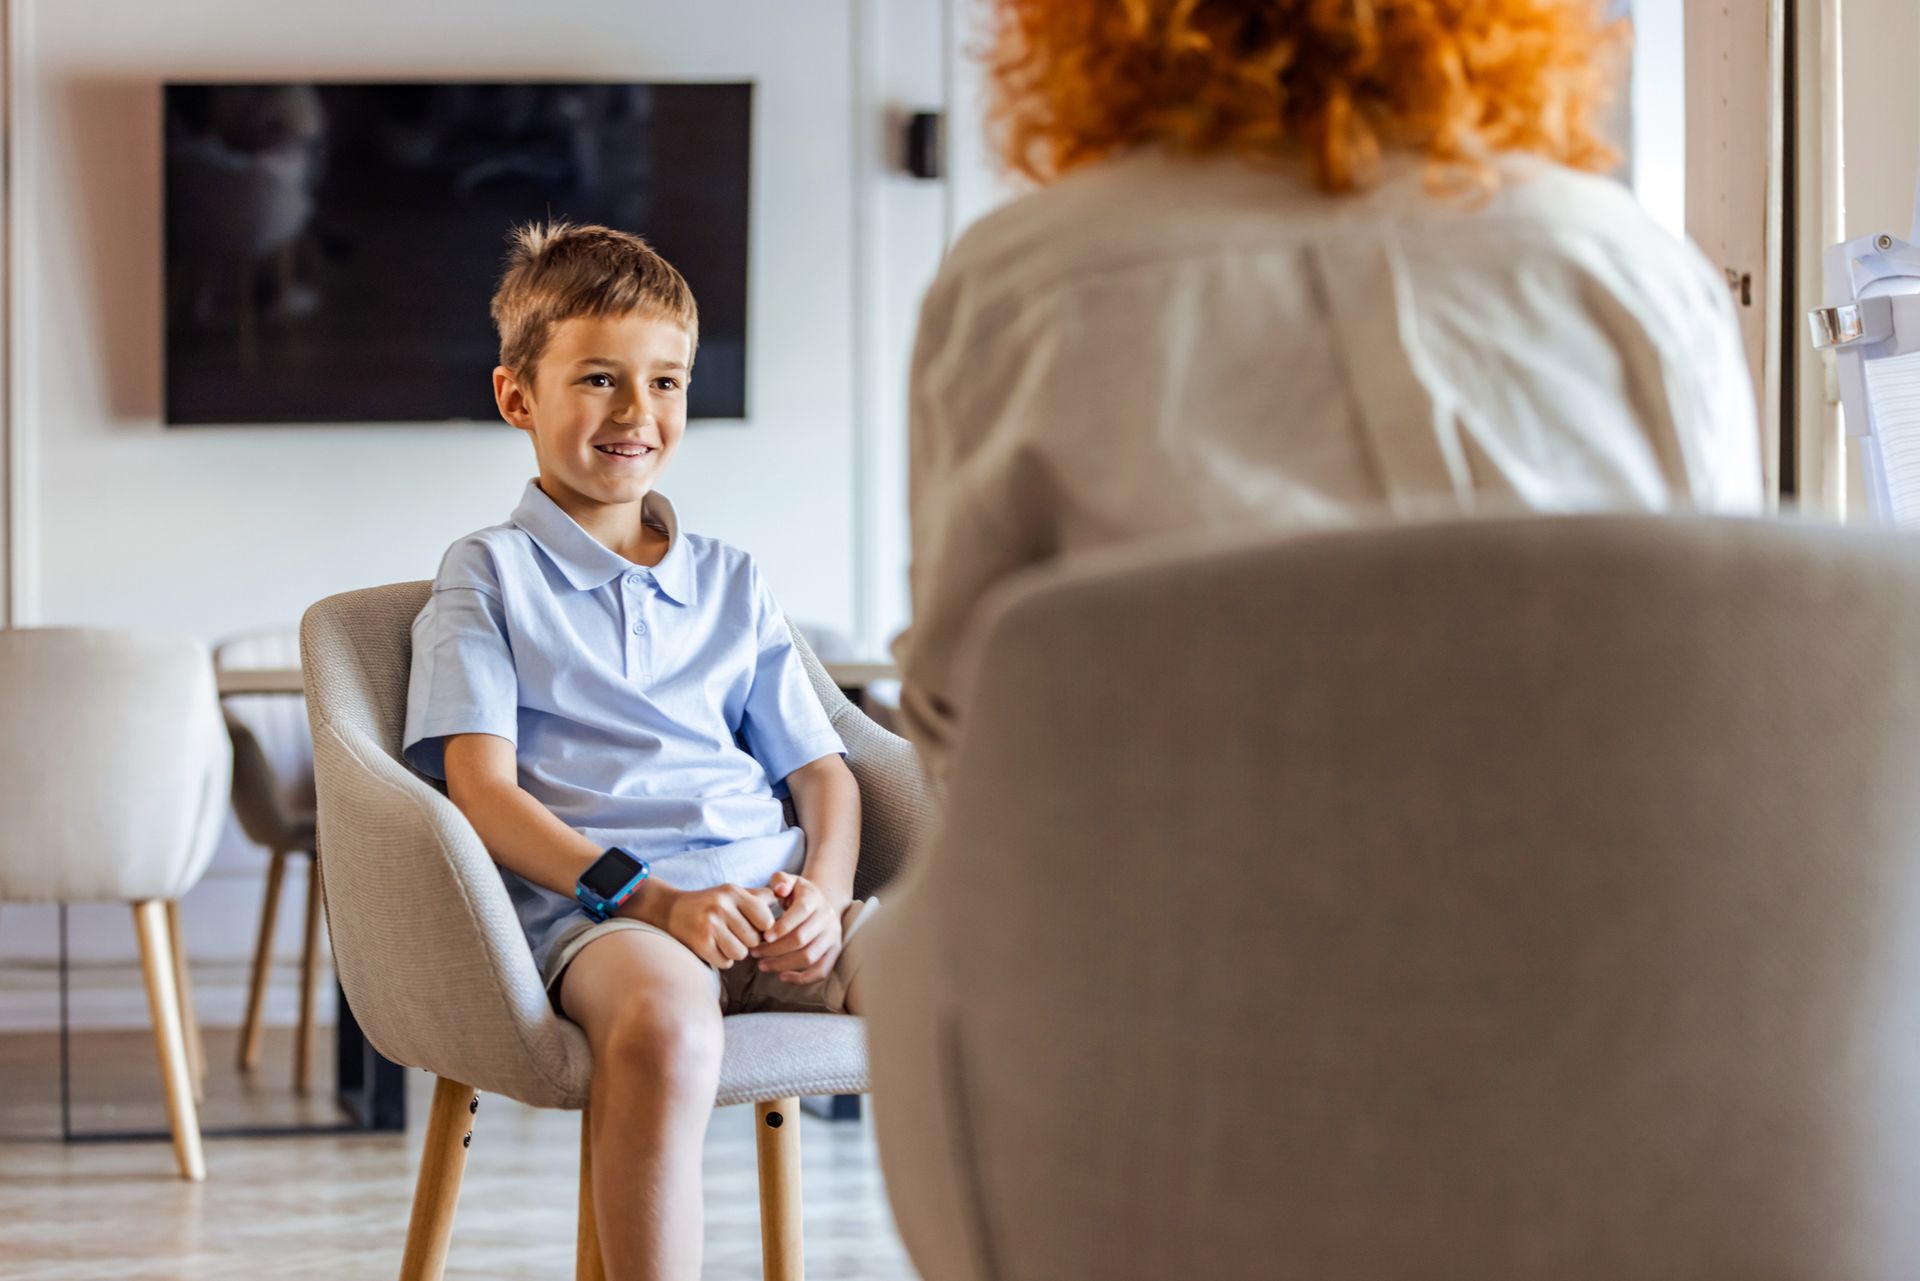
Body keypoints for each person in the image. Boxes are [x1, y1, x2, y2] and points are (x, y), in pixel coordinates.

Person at [893, 0, 1765, 786]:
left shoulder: (1020, 280)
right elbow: (1736, 657)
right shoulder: (1629, 264)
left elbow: (960, 721)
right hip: (1594, 920)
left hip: (1172, 929)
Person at [402, 222, 870, 1281]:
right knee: (665, 1029)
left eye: (667, 382)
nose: (637, 413)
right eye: (601, 378)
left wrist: (827, 899)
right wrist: (655, 902)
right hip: (615, 920)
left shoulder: (733, 578)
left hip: (778, 905)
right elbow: (479, 790)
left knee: (984, 986)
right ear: (518, 397)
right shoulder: (487, 575)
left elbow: (823, 772)